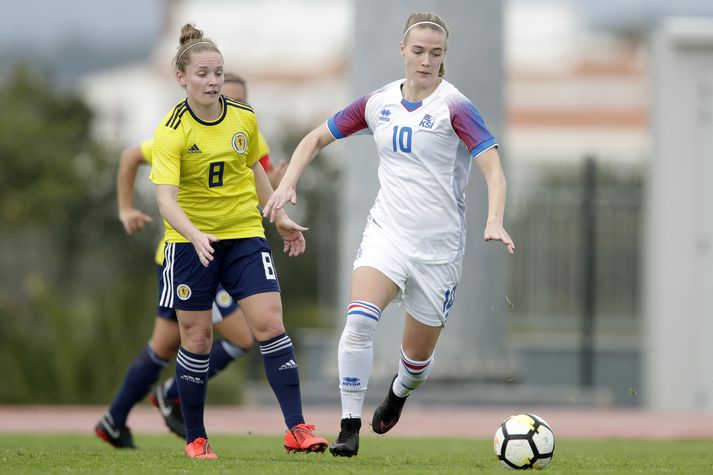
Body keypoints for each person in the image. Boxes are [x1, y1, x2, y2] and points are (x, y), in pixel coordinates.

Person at [263, 12, 515, 458]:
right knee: (359, 320)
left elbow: (493, 167)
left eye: (435, 54)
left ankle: (399, 392)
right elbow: (315, 138)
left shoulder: (455, 106)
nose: (425, 61)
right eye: (418, 51)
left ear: (443, 59)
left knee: (415, 363)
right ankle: (348, 427)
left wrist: (494, 219)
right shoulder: (378, 102)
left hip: (438, 251)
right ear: (403, 51)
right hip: (387, 235)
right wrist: (288, 182)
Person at [149, 23, 327, 459]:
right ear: (182, 78)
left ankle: (297, 429)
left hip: (245, 235)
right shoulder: (172, 130)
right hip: (190, 246)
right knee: (197, 340)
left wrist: (279, 216)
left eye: (217, 73)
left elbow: (256, 171)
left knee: (270, 324)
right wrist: (194, 234)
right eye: (203, 74)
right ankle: (196, 437)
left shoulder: (243, 118)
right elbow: (165, 202)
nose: (212, 82)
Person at [94, 73, 285, 450]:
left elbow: (260, 185)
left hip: (227, 246)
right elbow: (131, 156)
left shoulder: (246, 130)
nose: (219, 101)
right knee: (237, 336)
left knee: (164, 346)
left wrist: (276, 188)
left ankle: (114, 420)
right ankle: (171, 395)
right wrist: (126, 208)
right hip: (187, 254)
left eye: (232, 98)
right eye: (214, 90)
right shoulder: (180, 129)